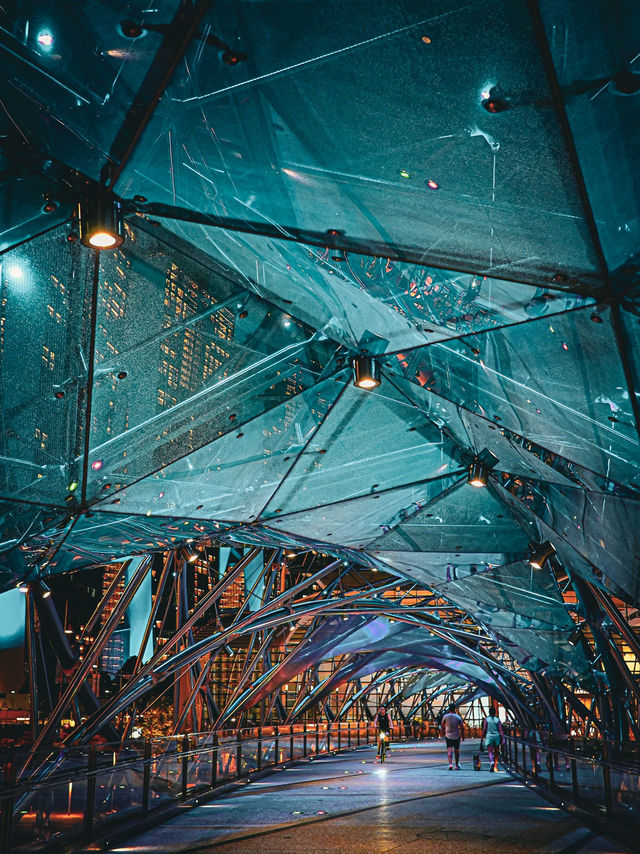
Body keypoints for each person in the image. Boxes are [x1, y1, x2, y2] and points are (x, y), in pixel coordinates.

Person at [441, 704, 464, 769]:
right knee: (456, 751)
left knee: (449, 750)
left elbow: (442, 726)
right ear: (455, 709)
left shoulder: (445, 716)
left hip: (448, 735)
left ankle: (450, 764)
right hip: (456, 736)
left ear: (449, 709)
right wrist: (463, 736)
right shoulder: (458, 717)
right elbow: (462, 727)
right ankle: (456, 765)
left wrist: (441, 734)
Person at [482, 706, 503, 772]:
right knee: (496, 752)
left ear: (489, 712)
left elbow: (484, 729)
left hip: (489, 736)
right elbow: (500, 730)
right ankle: (495, 765)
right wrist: (503, 738)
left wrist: (482, 738)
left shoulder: (487, 720)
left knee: (490, 752)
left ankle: (492, 762)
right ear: (495, 712)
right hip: (496, 736)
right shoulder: (497, 720)